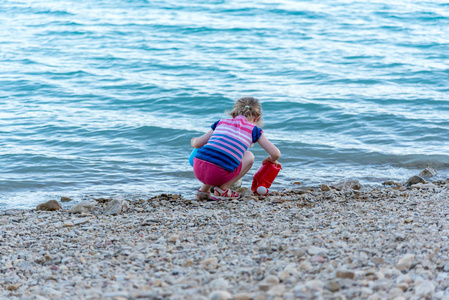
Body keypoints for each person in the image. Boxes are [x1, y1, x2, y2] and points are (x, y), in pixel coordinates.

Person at [190, 97, 281, 200]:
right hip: (217, 174)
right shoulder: (254, 130)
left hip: (198, 168)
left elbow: (198, 144)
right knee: (249, 156)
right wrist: (271, 159)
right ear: (257, 118)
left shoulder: (221, 122)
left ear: (233, 115)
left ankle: (203, 191)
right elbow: (276, 153)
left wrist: (193, 141)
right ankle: (223, 188)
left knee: (213, 152)